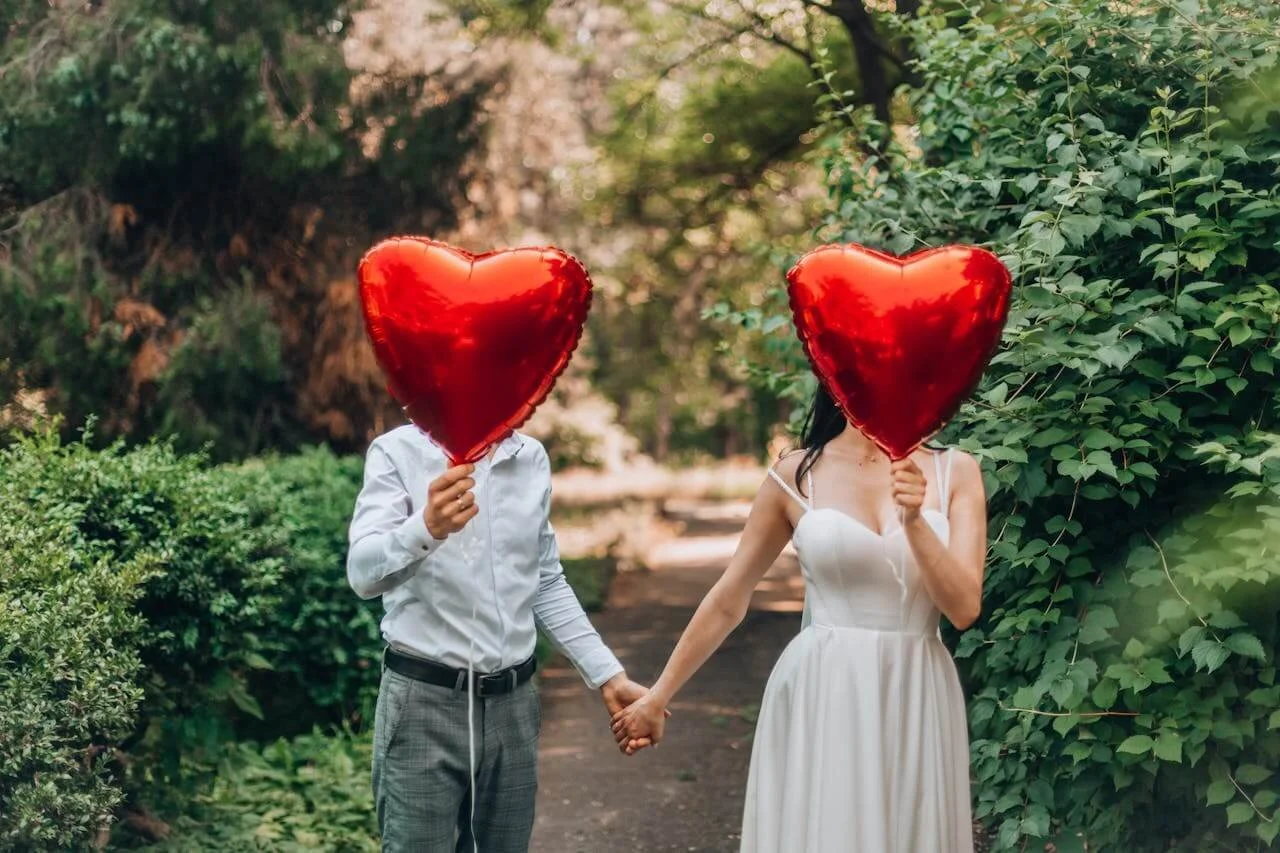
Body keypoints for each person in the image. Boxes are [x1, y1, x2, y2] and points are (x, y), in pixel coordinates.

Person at [612, 386, 987, 852]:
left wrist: (914, 522)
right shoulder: (795, 474)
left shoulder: (956, 471)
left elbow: (964, 608)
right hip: (822, 690)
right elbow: (731, 595)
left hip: (914, 686)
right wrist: (658, 695)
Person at [348, 423, 653, 853]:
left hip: (514, 709)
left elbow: (544, 580)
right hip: (423, 706)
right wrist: (425, 528)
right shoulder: (398, 450)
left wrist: (608, 674)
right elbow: (362, 574)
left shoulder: (530, 457)